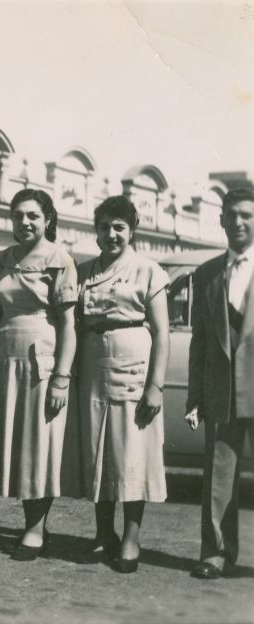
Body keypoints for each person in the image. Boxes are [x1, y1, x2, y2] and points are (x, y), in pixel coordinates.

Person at [0, 189, 78, 561]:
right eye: (18, 216)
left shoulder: (59, 259)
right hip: (6, 355)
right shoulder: (2, 259)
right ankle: (32, 525)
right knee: (18, 444)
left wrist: (62, 377)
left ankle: (35, 530)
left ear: (48, 219)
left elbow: (69, 324)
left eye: (33, 216)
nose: (25, 222)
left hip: (42, 359)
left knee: (39, 443)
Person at [73, 196, 170, 574]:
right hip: (93, 366)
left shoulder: (148, 270)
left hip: (134, 364)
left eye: (119, 227)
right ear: (95, 230)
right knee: (99, 453)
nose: (111, 234)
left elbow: (161, 332)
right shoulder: (84, 271)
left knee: (130, 452)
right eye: (104, 227)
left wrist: (156, 386)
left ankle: (131, 538)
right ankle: (102, 535)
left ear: (132, 231)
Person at [186, 188, 254, 580]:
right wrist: (194, 395)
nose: (239, 222)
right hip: (220, 391)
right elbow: (198, 340)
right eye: (232, 215)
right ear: (222, 220)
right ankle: (216, 552)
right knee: (218, 477)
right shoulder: (206, 273)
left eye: (247, 214)